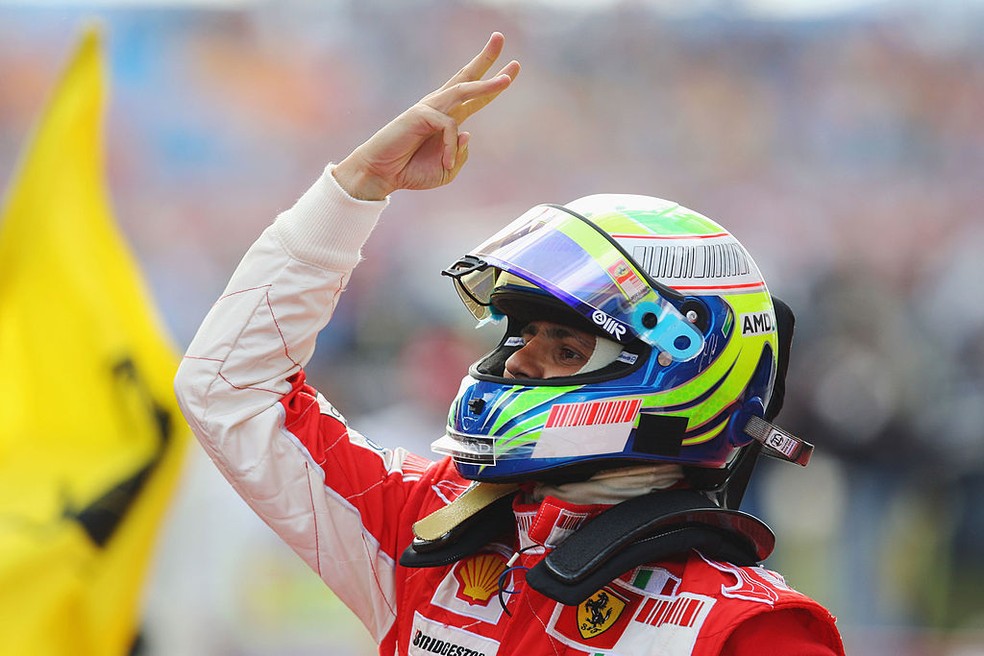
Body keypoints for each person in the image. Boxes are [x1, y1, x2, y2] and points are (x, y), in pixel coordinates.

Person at [175, 32, 845, 655]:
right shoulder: (429, 528)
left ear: (672, 375)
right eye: (521, 335)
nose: (519, 359)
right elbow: (229, 390)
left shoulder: (745, 629)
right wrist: (353, 191)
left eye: (565, 350)